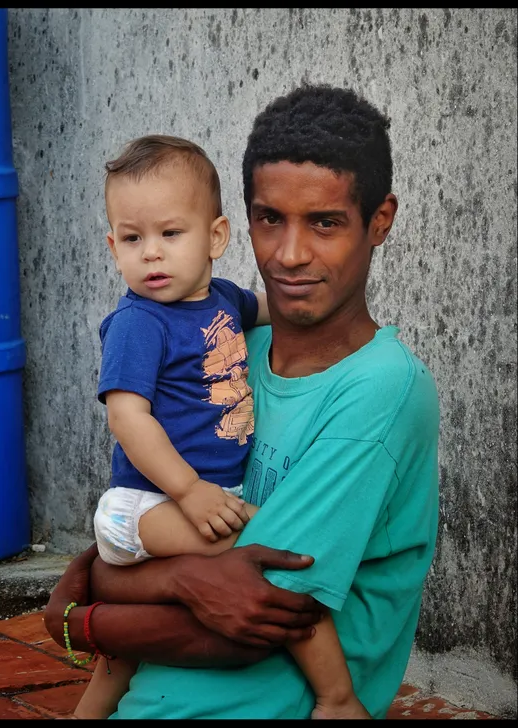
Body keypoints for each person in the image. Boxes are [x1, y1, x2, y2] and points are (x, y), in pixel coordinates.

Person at [45, 82, 440, 720]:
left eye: (326, 222)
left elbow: (247, 617)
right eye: (270, 219)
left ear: (380, 221)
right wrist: (162, 582)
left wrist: (80, 621)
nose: (289, 254)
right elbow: (118, 562)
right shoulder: (229, 350)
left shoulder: (380, 392)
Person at [73, 133, 367, 719]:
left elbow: (279, 310)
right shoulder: (138, 323)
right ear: (113, 247)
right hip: (147, 502)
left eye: (169, 234)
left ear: (216, 237)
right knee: (274, 557)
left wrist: (339, 332)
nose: (151, 253)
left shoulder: (225, 301)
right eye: (133, 239)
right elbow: (127, 417)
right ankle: (337, 699)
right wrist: (188, 490)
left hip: (202, 498)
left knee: (128, 653)